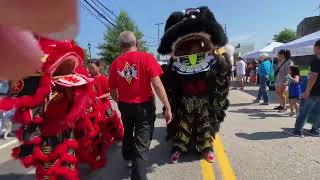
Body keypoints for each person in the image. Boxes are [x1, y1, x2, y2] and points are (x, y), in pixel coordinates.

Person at [109, 31, 172, 180]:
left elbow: (112, 91)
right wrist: (167, 106)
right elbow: (157, 85)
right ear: (136, 43)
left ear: (120, 46)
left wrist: (120, 101)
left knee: (128, 130)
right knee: (142, 145)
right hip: (144, 107)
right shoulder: (146, 58)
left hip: (125, 105)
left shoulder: (115, 63)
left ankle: (127, 156)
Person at [287, 40, 320, 137]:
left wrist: (307, 91)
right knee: (318, 111)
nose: (313, 49)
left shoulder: (316, 61)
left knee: (304, 110)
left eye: (314, 47)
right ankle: (315, 130)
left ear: (318, 48)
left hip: (314, 91)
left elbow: (313, 76)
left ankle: (297, 130)